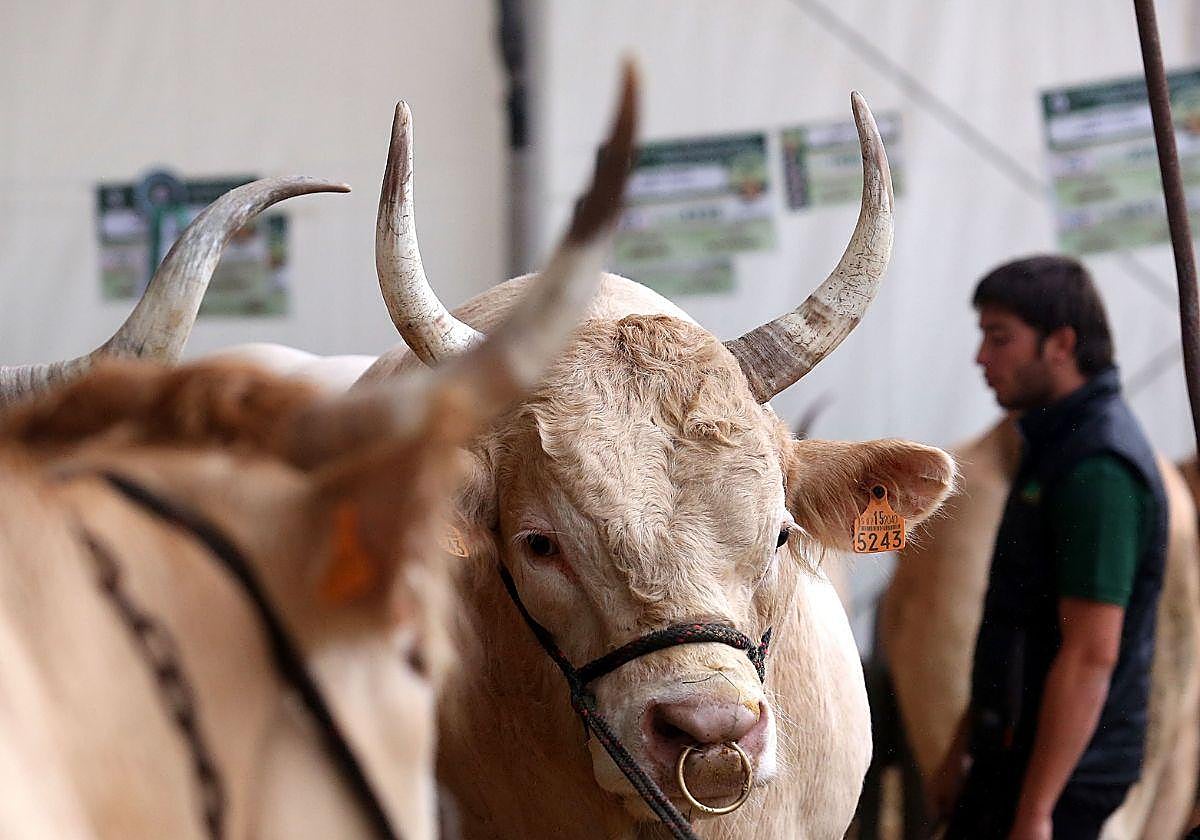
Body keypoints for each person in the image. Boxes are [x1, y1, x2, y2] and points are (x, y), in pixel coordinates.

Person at [932, 255, 1167, 840]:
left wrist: (1038, 811)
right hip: (1013, 754)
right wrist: (967, 744)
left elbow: (1093, 653)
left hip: (1059, 775)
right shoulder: (1053, 440)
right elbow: (1018, 619)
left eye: (1000, 338)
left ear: (1061, 344)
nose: (981, 358)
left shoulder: (1098, 469)